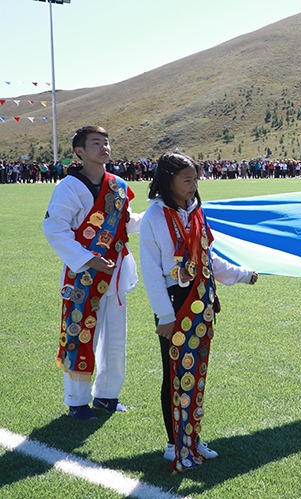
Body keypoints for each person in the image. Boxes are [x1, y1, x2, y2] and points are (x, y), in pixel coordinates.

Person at [139, 152, 258, 471]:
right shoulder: (153, 218)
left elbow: (208, 259)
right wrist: (164, 315)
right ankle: (173, 442)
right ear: (168, 181)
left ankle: (191, 438)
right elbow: (151, 271)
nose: (193, 186)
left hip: (202, 303)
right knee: (175, 374)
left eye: (195, 179)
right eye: (187, 180)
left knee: (195, 373)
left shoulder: (196, 213)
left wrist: (242, 275)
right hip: (175, 304)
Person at [43, 126, 143, 420]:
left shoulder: (119, 185)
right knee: (80, 332)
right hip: (83, 276)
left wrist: (157, 216)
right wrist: (89, 259)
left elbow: (126, 223)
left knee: (115, 337)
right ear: (80, 151)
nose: (104, 147)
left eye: (106, 141)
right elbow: (55, 229)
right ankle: (77, 402)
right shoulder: (68, 187)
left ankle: (107, 396)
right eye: (96, 143)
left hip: (113, 273)